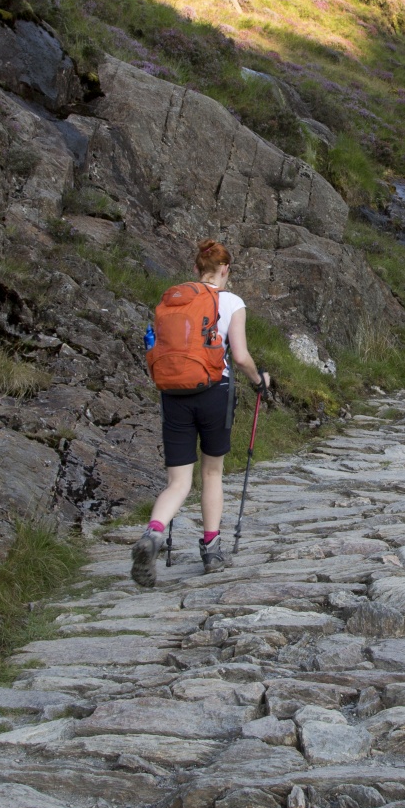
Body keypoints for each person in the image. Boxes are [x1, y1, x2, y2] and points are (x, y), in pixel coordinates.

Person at [131, 239, 271, 587]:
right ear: (226, 269)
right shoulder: (232, 302)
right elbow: (239, 356)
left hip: (174, 393)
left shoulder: (174, 299)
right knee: (211, 474)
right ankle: (211, 550)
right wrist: (260, 382)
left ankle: (153, 534)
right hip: (213, 393)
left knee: (178, 481)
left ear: (196, 269)